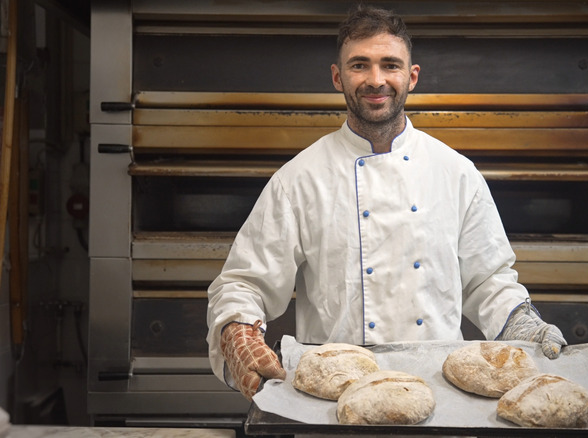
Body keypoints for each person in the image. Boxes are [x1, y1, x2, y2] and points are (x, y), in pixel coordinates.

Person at [206, 4, 566, 401]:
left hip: (440, 392)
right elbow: (244, 281)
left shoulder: (456, 172)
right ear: (337, 76)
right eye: (359, 65)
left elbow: (489, 280)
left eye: (389, 65)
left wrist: (521, 324)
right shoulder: (299, 180)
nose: (375, 80)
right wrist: (237, 332)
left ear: (411, 77)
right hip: (331, 395)